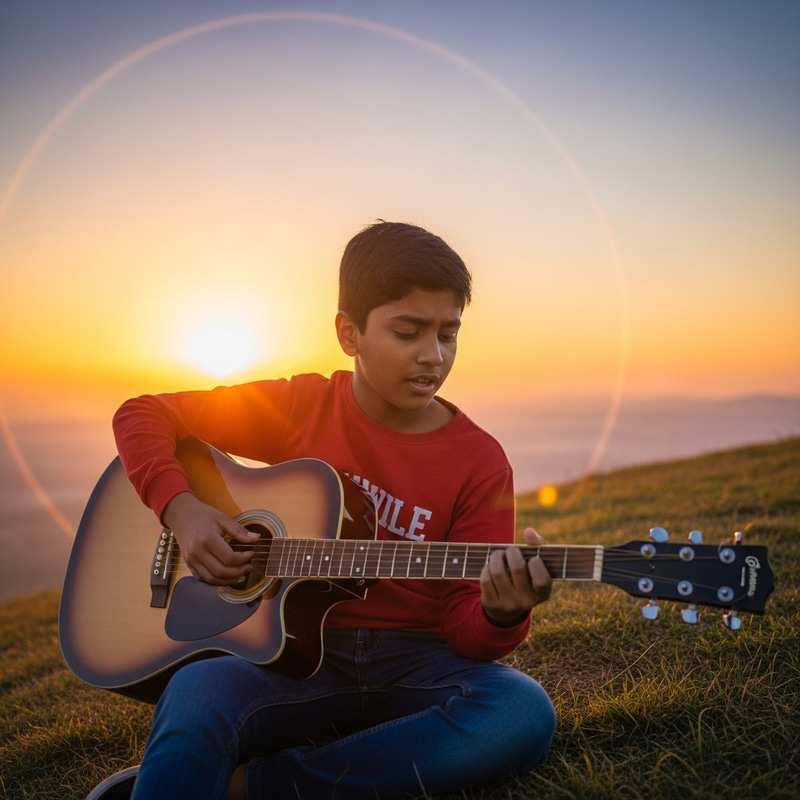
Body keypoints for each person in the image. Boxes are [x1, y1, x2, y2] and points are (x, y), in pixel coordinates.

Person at [113, 221, 556, 800]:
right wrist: (183, 510)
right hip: (286, 660)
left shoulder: (480, 461)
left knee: (520, 711)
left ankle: (253, 787)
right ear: (350, 333)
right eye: (408, 332)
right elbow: (144, 414)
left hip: (416, 663)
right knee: (198, 689)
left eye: (449, 333)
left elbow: (467, 632)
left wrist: (502, 613)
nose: (434, 355)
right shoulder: (302, 406)